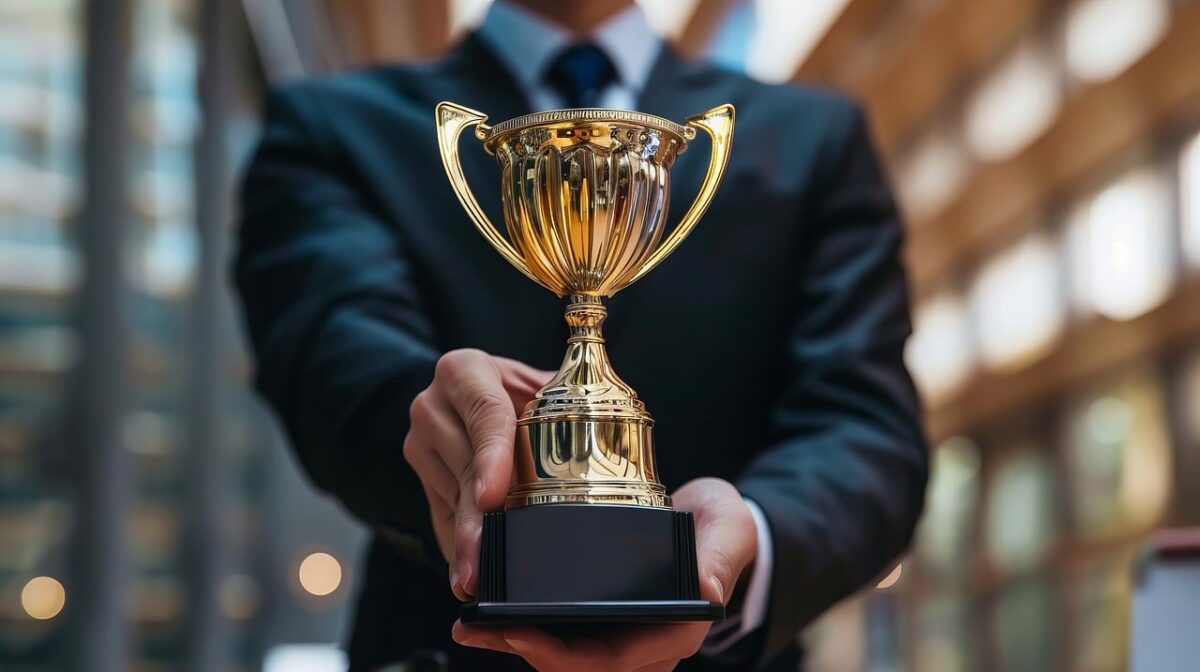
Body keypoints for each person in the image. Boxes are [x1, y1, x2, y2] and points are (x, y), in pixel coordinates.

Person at [234, 0, 929, 669]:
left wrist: (749, 541)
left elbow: (864, 426)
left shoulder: (815, 140)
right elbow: (328, 349)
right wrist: (441, 428)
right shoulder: (332, 128)